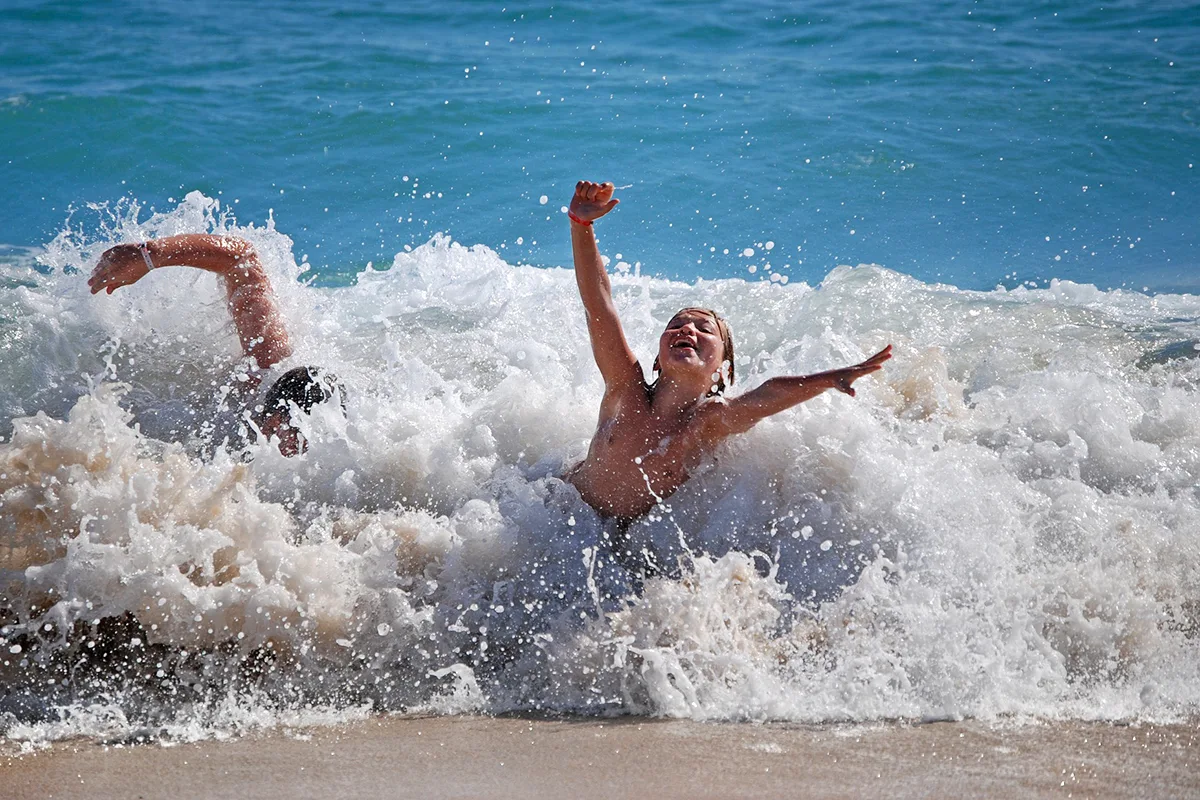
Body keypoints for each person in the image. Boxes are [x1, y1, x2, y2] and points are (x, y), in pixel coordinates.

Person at [564, 180, 892, 521]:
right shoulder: (625, 387)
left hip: (616, 540)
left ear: (723, 371)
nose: (687, 328)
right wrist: (581, 224)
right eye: (677, 325)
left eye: (704, 329)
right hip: (559, 510)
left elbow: (765, 397)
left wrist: (828, 379)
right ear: (658, 361)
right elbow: (600, 306)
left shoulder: (704, 423)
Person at [88, 234, 344, 456]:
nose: (301, 454)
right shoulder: (266, 365)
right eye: (300, 442)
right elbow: (241, 258)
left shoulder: (348, 444)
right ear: (276, 421)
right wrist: (149, 255)